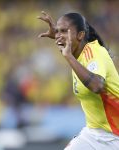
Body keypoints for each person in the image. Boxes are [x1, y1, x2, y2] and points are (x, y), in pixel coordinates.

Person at [37, 11, 119, 150]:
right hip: (93, 134)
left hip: (115, 136)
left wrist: (68, 56)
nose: (58, 36)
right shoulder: (77, 57)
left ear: (80, 35)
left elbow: (97, 86)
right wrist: (60, 39)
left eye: (64, 31)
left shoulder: (94, 51)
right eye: (57, 31)